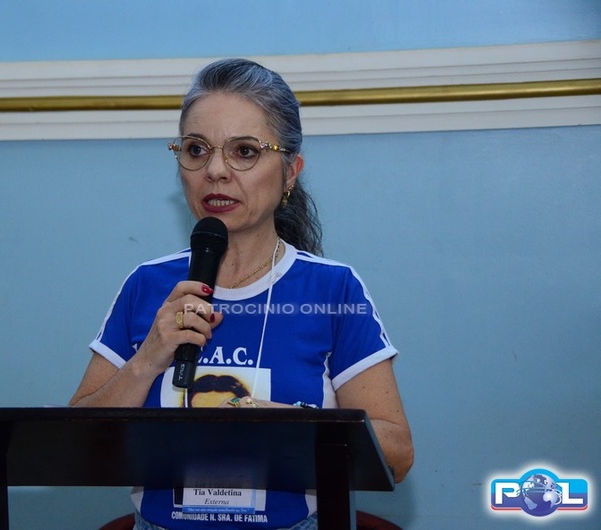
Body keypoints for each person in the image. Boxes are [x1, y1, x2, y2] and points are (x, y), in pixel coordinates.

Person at [70, 58, 413, 530]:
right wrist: (146, 361)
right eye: (196, 149)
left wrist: (286, 428)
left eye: (245, 151)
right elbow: (75, 444)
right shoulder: (148, 284)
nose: (215, 171)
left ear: (290, 171)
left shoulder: (331, 289)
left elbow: (396, 454)